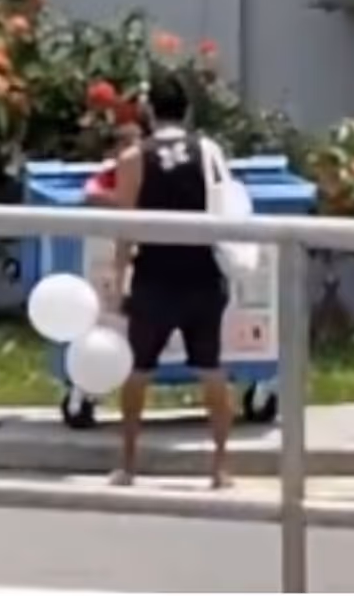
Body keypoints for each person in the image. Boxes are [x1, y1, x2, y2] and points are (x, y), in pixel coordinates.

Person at [108, 72, 234, 489]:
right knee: (211, 370)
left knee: (138, 371)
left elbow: (126, 228)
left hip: (155, 276)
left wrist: (117, 276)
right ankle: (219, 467)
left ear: (148, 111)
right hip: (202, 272)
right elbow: (227, 205)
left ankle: (128, 464)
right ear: (188, 110)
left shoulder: (133, 158)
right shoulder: (210, 150)